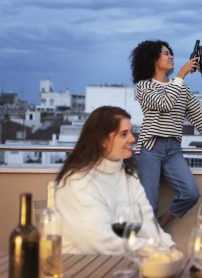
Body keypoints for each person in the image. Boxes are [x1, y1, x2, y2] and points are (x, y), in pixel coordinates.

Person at [130, 40, 202, 227]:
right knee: (149, 205)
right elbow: (164, 104)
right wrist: (181, 74)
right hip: (149, 148)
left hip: (173, 149)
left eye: (171, 53)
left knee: (191, 193)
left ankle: (161, 225)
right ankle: (148, 245)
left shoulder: (181, 88)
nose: (171, 56)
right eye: (165, 53)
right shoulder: (144, 87)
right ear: (152, 59)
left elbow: (199, 118)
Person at [55, 106, 175, 254]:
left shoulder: (127, 173)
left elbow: (147, 221)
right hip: (82, 266)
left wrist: (170, 247)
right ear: (102, 141)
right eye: (124, 134)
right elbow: (102, 242)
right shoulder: (78, 181)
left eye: (131, 132)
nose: (132, 138)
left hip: (125, 262)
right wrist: (154, 249)